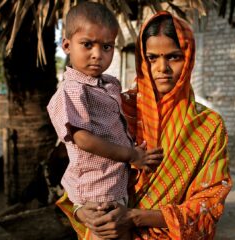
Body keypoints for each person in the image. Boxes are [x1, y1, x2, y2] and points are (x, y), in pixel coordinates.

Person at [56, 11, 232, 239]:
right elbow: (82, 168)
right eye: (152, 58)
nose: (162, 68)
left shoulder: (208, 126)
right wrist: (83, 212)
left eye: (174, 57)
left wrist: (134, 217)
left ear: (188, 58)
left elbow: (209, 203)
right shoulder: (116, 109)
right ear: (141, 58)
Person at [47, 3, 163, 240]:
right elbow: (83, 139)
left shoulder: (107, 84)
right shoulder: (71, 90)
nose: (97, 54)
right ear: (67, 45)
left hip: (112, 184)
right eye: (87, 44)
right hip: (97, 189)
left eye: (107, 46)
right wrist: (132, 156)